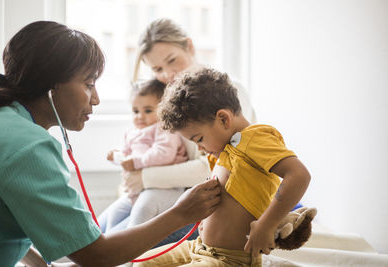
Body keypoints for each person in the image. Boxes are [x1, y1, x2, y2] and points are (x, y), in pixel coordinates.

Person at [0, 21, 221, 267]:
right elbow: (96, 256)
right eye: (89, 84)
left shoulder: (1, 119)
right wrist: (181, 214)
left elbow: (2, 217)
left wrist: (42, 264)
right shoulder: (27, 147)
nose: (96, 99)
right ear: (50, 87)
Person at [132, 68, 311, 267]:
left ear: (224, 119)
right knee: (141, 263)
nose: (200, 148)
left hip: (229, 259)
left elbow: (299, 175)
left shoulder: (254, 138)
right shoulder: (226, 149)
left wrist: (266, 225)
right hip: (199, 247)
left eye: (199, 139)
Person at [121, 18, 257, 246]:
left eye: (172, 60)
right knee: (108, 229)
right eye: (157, 69)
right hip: (176, 195)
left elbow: (217, 165)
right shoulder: (170, 101)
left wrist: (143, 178)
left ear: (190, 46)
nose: (168, 73)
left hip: (213, 201)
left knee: (129, 242)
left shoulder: (228, 91)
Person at [99, 79, 188, 233]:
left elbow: (164, 153)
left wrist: (136, 162)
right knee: (115, 212)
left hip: (165, 187)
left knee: (142, 209)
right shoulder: (133, 132)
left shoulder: (165, 129)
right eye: (135, 111)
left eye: (147, 111)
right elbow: (128, 155)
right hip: (138, 189)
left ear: (164, 109)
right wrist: (117, 156)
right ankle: (110, 244)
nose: (140, 116)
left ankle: (131, 246)